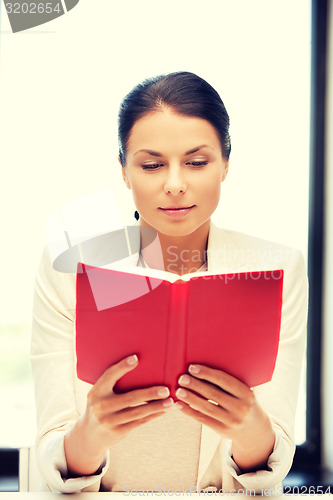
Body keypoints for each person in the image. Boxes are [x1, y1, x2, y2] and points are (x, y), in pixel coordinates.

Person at [31, 71, 308, 494]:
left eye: (197, 162)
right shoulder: (70, 264)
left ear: (226, 163)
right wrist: (92, 433)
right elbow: (54, 448)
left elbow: (273, 458)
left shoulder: (275, 268)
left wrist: (250, 427)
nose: (175, 184)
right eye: (151, 164)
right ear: (124, 170)